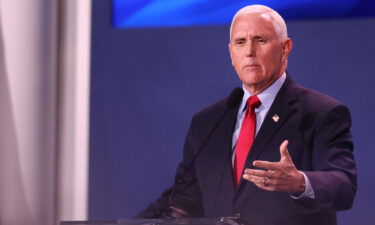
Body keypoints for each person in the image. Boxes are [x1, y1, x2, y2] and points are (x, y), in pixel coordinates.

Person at [135, 4, 357, 225]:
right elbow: (184, 199)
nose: (249, 51)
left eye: (261, 40)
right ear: (231, 52)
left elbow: (344, 185)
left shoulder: (321, 112)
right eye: (240, 42)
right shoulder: (207, 121)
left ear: (285, 48)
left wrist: (300, 182)